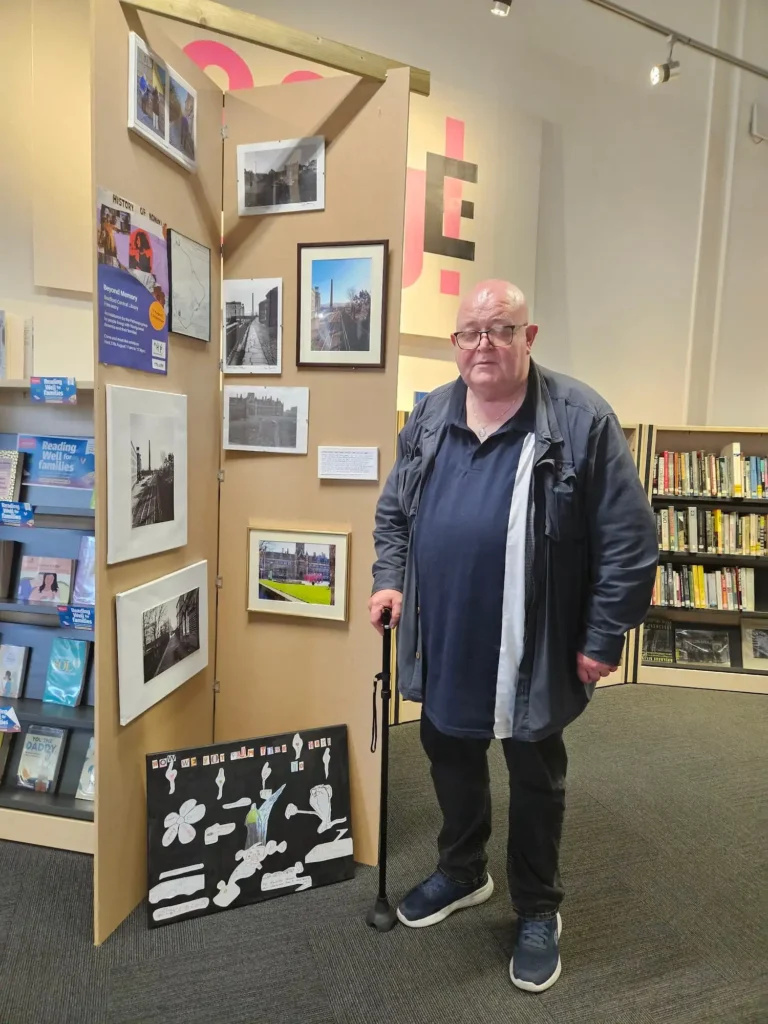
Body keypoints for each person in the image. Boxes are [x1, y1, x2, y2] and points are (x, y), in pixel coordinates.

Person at [370, 280, 657, 994]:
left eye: (500, 329)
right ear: (454, 343)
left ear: (529, 337)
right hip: (446, 635)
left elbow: (630, 544)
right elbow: (394, 514)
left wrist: (601, 639)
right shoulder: (432, 412)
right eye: (470, 332)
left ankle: (537, 907)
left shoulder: (581, 419)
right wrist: (391, 578)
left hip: (537, 643)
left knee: (535, 771)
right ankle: (463, 870)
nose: (484, 345)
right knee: (447, 750)